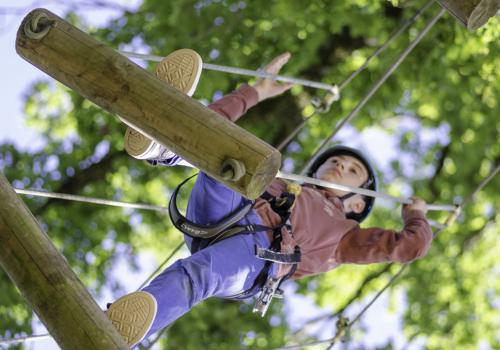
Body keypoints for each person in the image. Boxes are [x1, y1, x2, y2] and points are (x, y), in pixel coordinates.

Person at [106, 49, 433, 348]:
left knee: (196, 276)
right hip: (229, 211)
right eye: (334, 161)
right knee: (234, 153)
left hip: (257, 256)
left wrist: (416, 216)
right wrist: (255, 91)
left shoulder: (345, 237)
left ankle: (118, 334)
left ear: (358, 204)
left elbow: (409, 246)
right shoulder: (280, 184)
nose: (339, 165)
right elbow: (223, 143)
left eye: (350, 171)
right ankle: (166, 141)